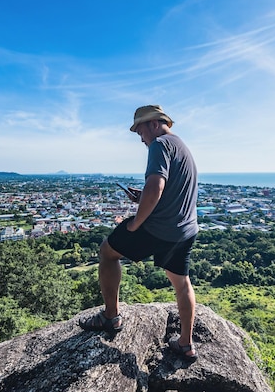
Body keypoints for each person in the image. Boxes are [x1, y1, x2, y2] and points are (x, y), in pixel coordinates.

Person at [79, 105, 199, 361]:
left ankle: (111, 317)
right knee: (181, 283)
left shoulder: (159, 145)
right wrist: (142, 197)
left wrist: (135, 223)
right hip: (185, 228)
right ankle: (185, 344)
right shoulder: (181, 146)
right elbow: (169, 191)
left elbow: (156, 186)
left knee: (107, 252)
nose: (141, 139)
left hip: (160, 228)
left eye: (140, 132)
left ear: (153, 124)